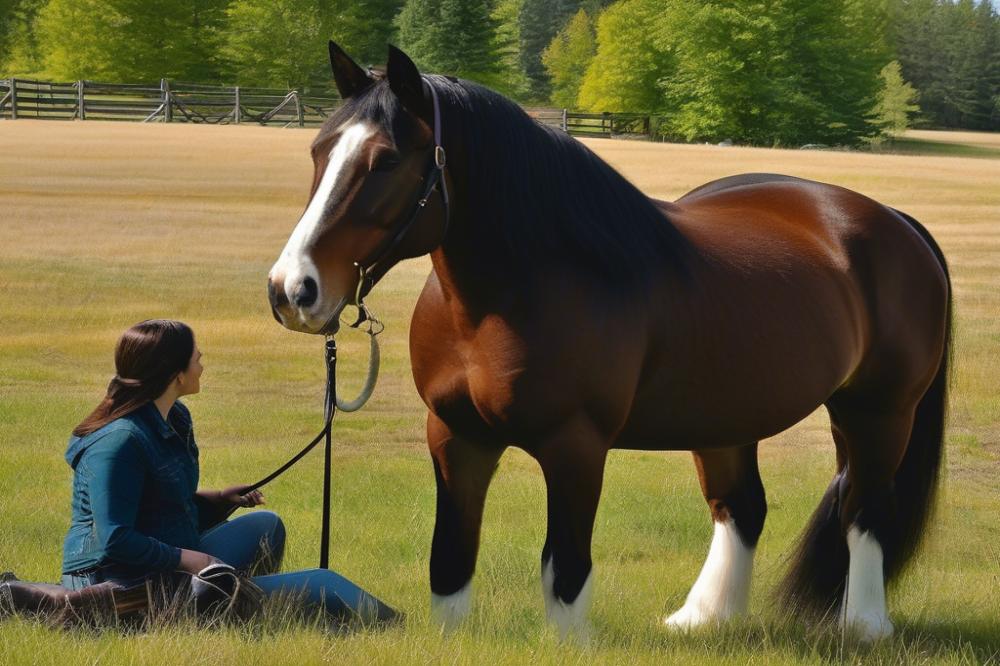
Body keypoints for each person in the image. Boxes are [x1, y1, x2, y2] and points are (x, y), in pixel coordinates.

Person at [4, 319, 396, 626]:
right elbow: (115, 539)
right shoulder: (118, 443)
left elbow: (158, 504)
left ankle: (221, 607)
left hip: (160, 563)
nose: (202, 365)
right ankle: (399, 627)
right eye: (197, 358)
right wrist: (191, 562)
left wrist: (218, 499)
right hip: (122, 582)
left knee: (267, 526)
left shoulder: (174, 416)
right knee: (326, 586)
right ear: (176, 375)